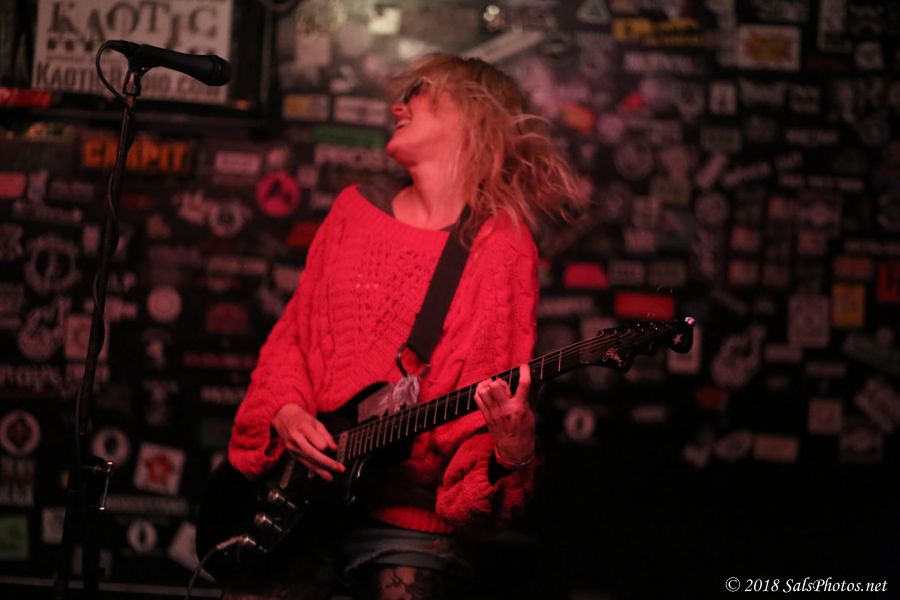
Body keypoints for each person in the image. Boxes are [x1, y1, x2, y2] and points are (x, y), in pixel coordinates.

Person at [224, 54, 584, 599]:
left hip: (411, 519)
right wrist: (288, 411)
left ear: (473, 115)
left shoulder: (502, 245)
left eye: (419, 91)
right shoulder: (353, 210)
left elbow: (479, 419)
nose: (398, 105)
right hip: (302, 500)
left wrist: (511, 453)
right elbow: (293, 337)